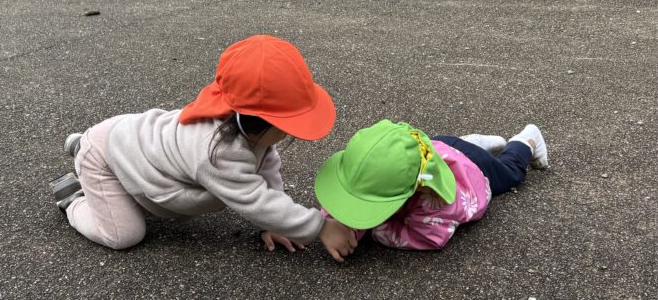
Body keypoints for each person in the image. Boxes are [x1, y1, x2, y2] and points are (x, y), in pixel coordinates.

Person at [50, 35, 358, 262]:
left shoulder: (245, 125)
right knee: (124, 236)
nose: (290, 133)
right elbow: (254, 198)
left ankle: (81, 146)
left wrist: (275, 222)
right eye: (286, 125)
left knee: (136, 187)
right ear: (254, 120)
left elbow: (267, 171)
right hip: (107, 156)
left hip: (130, 138)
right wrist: (319, 227)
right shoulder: (216, 152)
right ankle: (75, 197)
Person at [316, 120, 548, 252]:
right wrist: (333, 222)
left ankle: (527, 139)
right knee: (458, 148)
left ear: (415, 190)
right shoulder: (399, 163)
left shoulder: (436, 203)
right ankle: (470, 144)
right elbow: (348, 193)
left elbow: (430, 238)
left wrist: (370, 227)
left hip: (475, 170)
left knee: (510, 173)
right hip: (437, 147)